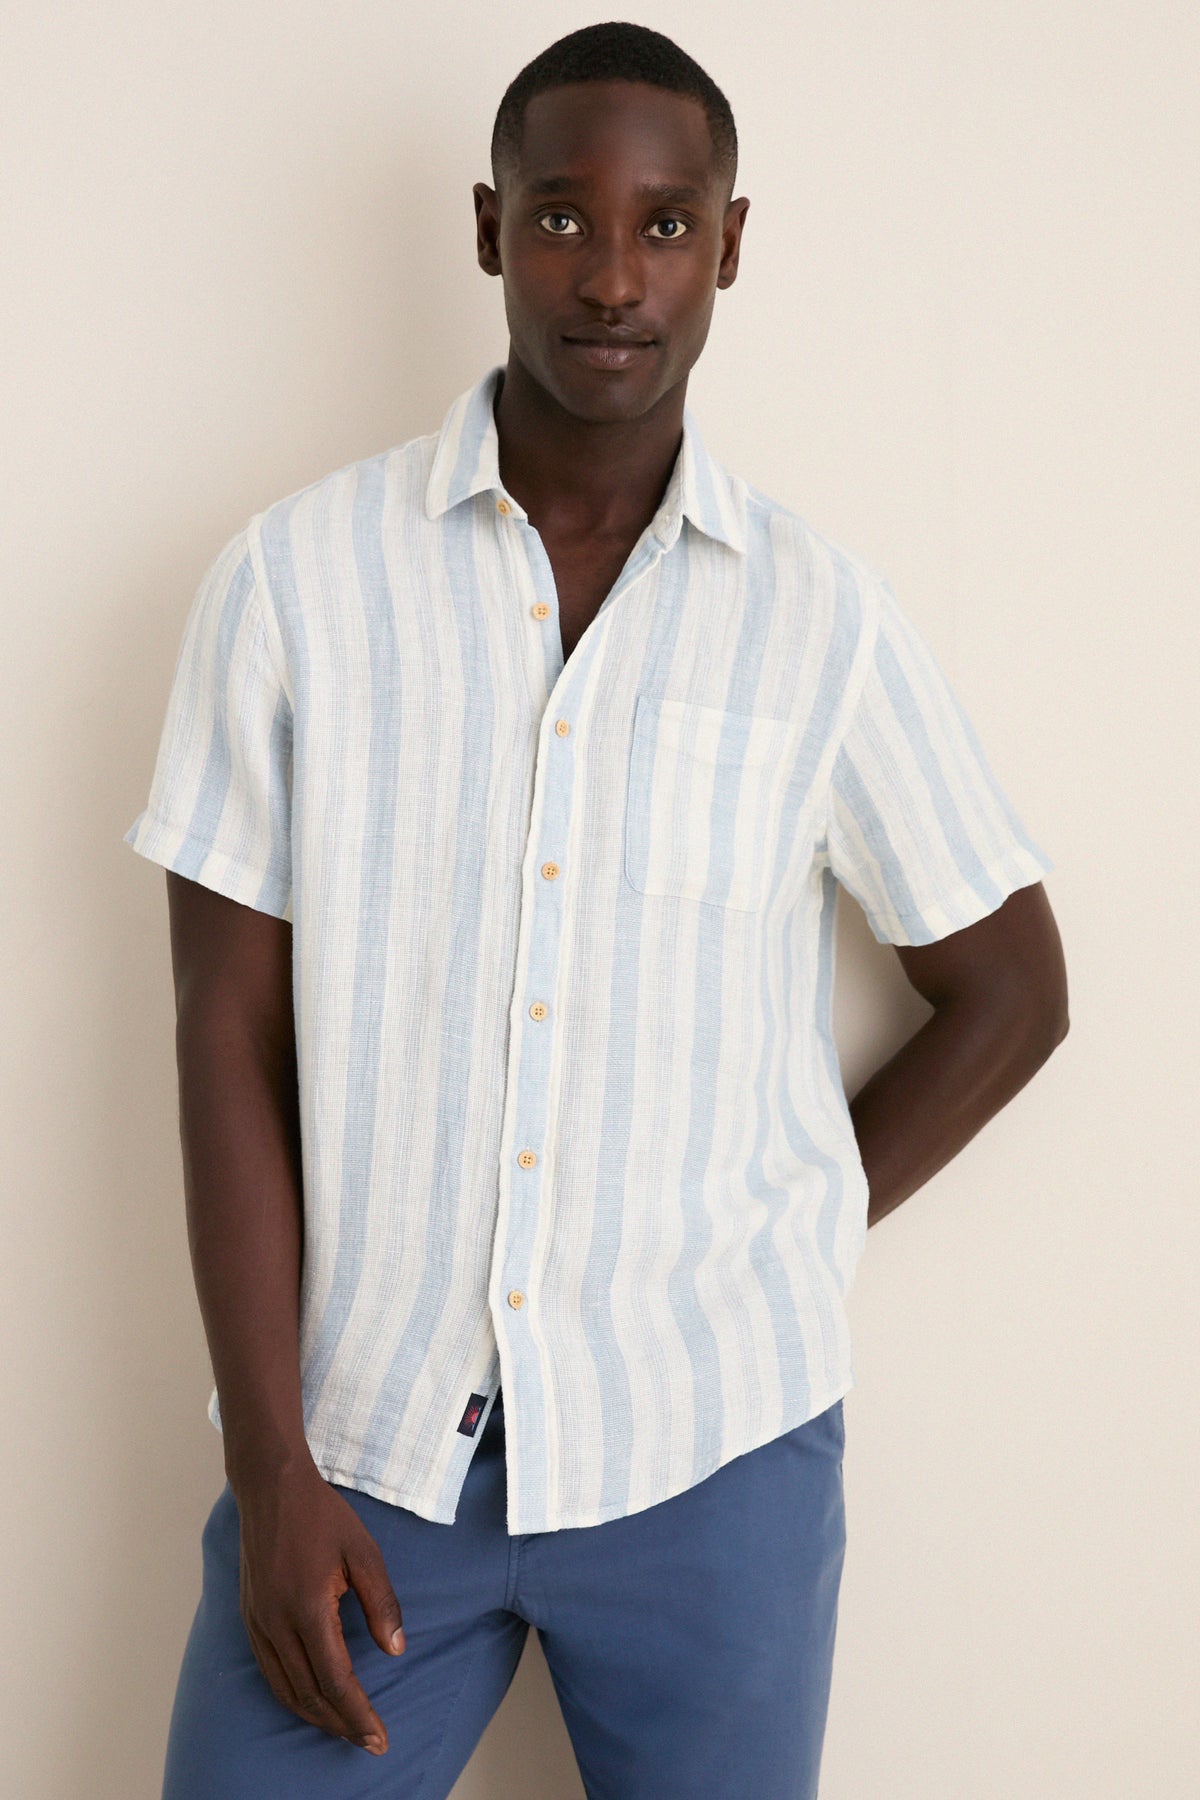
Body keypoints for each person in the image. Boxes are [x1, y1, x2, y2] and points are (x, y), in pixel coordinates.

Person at [123, 21, 1068, 1800]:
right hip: (369, 1456)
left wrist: (785, 1227)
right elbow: (224, 1033)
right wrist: (269, 1471)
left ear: (731, 241)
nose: (612, 276)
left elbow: (1014, 986)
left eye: (664, 222)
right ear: (489, 231)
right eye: (562, 219)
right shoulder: (294, 586)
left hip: (712, 1459)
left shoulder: (818, 620)